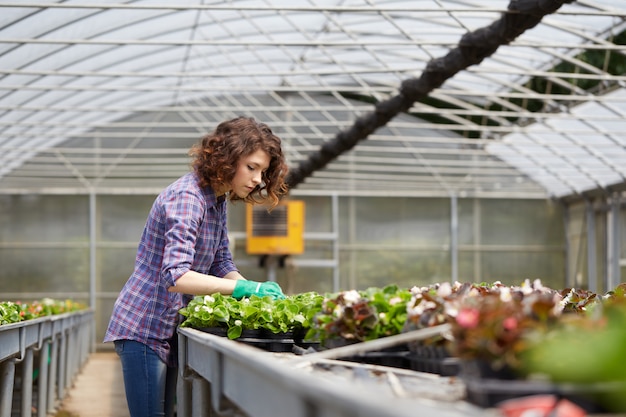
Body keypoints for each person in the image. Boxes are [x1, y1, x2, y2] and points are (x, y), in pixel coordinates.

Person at [104, 116, 289, 417]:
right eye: (252, 167)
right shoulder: (188, 198)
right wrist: (244, 288)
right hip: (144, 328)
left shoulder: (216, 200)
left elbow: (221, 262)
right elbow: (175, 276)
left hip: (169, 326)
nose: (257, 179)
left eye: (263, 171)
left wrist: (252, 296)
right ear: (227, 159)